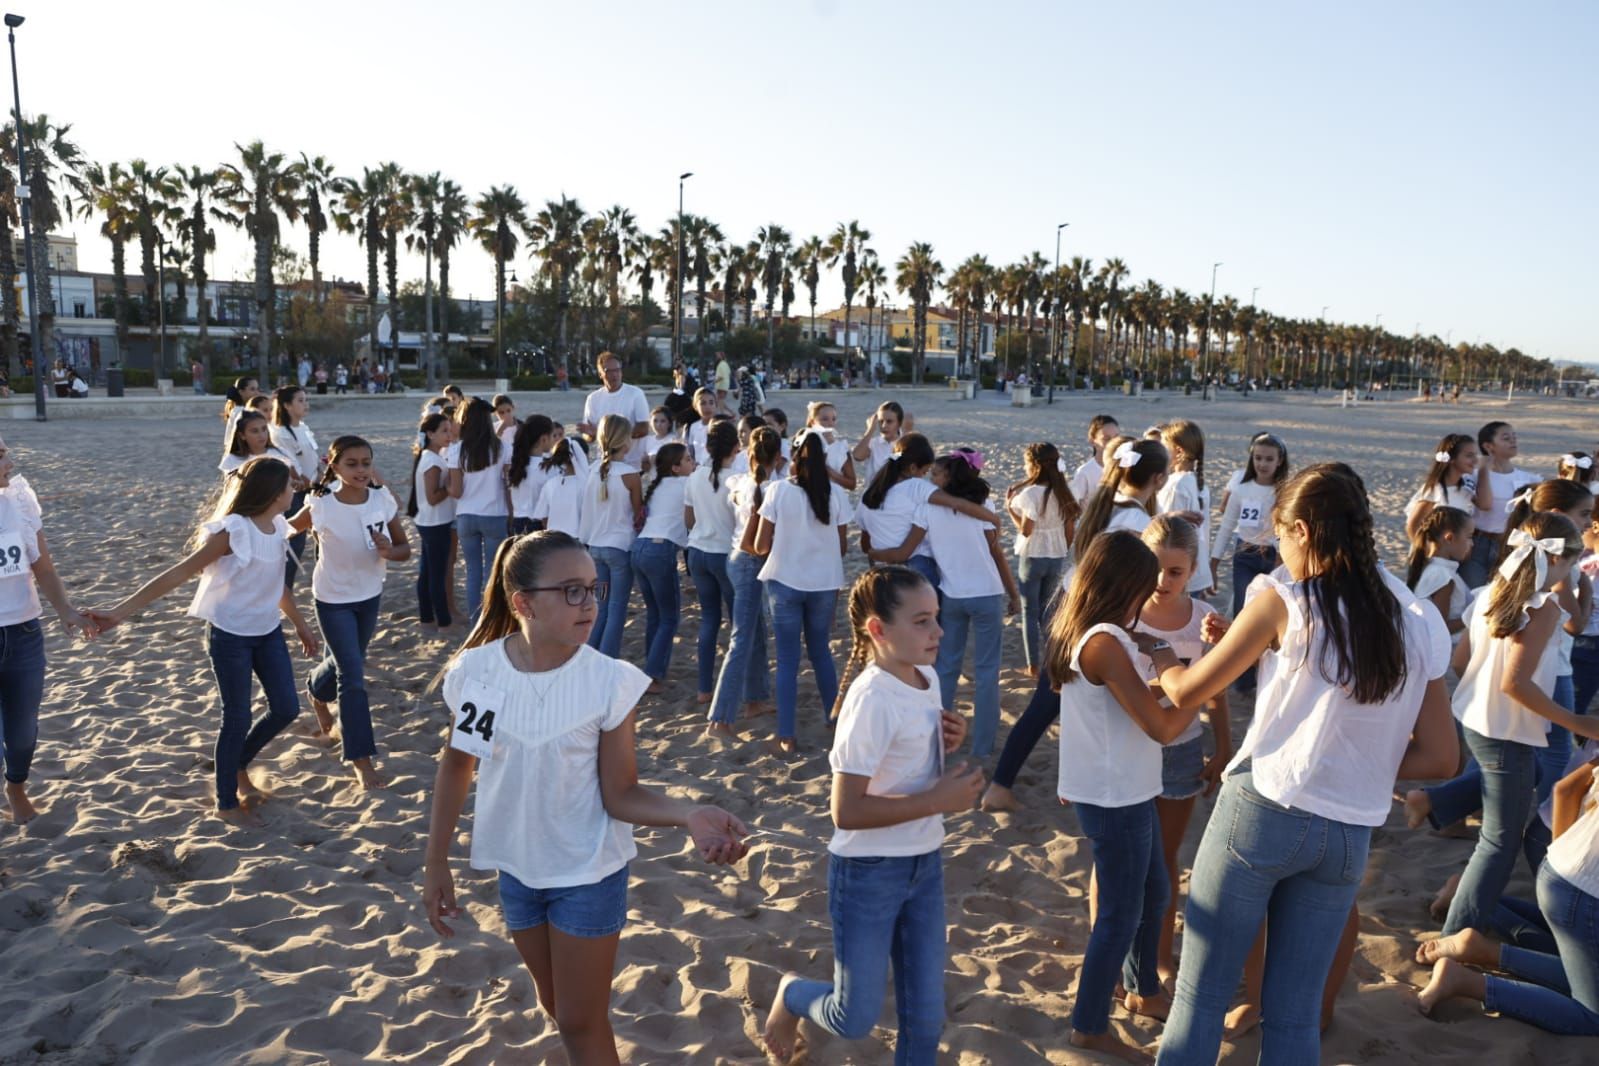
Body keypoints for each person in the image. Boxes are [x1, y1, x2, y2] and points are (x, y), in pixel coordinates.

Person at [1148, 464, 1457, 1066]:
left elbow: (1186, 693)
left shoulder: (1284, 601)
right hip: (1347, 835)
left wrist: (1162, 654)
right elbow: (1442, 759)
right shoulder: (1416, 621)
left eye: (1280, 532)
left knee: (1201, 996)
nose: (1277, 545)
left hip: (1264, 808)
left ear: (1305, 532)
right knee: (1293, 1017)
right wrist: (1351, 765)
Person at [422, 532, 749, 1065]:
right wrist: (437, 861)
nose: (590, 603)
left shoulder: (608, 682)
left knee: (579, 1019)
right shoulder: (478, 675)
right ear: (523, 602)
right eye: (571, 591)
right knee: (561, 1008)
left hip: (587, 873)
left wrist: (688, 814)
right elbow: (459, 765)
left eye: (594, 588)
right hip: (518, 873)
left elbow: (621, 793)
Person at [763, 566, 977, 1065]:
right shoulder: (871, 698)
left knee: (925, 1020)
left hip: (925, 864)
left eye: (937, 618)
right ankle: (793, 994)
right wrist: (938, 801)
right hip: (867, 875)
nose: (938, 632)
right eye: (922, 621)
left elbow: (909, 758)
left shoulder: (926, 676)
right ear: (877, 629)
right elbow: (846, 810)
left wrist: (950, 736)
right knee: (853, 1017)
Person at [93, 457, 318, 827]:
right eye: (289, 487)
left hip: (267, 631)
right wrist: (120, 611)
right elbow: (179, 573)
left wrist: (301, 625)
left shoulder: (278, 526)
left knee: (286, 708)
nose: (294, 491)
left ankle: (238, 764)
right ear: (274, 493)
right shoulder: (234, 531)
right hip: (230, 634)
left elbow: (278, 586)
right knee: (237, 717)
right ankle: (226, 801)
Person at [1048, 529, 1201, 1061]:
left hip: (1124, 785)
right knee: (1119, 911)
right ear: (1122, 585)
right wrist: (1196, 686)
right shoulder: (1106, 641)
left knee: (1155, 894)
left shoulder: (1099, 631)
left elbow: (1116, 702)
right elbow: (1161, 727)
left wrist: (1160, 664)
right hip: (1115, 795)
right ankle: (1088, 1024)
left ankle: (1143, 989)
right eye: (1145, 584)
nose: (1151, 593)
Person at [1415, 753, 1599, 1035]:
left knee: (1579, 963)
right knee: (1592, 1014)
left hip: (1562, 869)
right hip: (1580, 889)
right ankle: (1469, 982)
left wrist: (1562, 858)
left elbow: (1566, 789)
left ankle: (1480, 940)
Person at [1128, 516, 1232, 989]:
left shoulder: (1201, 619)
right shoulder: (1121, 612)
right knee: (1120, 858)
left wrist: (1224, 744)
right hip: (1126, 747)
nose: (1161, 581)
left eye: (1175, 572)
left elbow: (1215, 690)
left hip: (1182, 749)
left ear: (1193, 570)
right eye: (1154, 568)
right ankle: (1111, 949)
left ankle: (1158, 955)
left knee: (1165, 859)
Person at [868, 451, 1018, 758]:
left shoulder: (927, 509)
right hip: (987, 594)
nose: (931, 479)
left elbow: (905, 551)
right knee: (987, 672)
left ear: (949, 477)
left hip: (952, 596)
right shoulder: (983, 506)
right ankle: (982, 748)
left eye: (936, 474)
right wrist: (1013, 593)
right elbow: (997, 554)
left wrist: (874, 551)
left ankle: (937, 739)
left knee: (946, 668)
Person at [289, 436, 411, 789]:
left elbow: (404, 549)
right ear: (335, 467)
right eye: (352, 464)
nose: (361, 470)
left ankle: (315, 689)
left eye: (366, 463)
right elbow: (281, 530)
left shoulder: (381, 500)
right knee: (352, 676)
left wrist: (390, 552)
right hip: (331, 598)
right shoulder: (321, 505)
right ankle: (361, 760)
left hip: (369, 595)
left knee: (348, 661)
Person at [0, 442, 98, 824]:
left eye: (5, 452)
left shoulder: (19, 502)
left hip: (24, 632)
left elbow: (43, 568)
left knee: (23, 734)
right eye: (0, 456)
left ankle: (16, 787)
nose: (9, 462)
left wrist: (66, 612)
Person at [752, 428, 854, 756]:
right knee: (821, 653)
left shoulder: (779, 490)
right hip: (824, 583)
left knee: (786, 661)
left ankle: (786, 734)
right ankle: (833, 718)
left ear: (794, 459)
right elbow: (841, 547)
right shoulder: (836, 495)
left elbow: (760, 544)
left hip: (785, 580)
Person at [705, 426, 780, 737]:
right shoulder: (772, 488)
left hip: (735, 558)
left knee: (755, 632)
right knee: (741, 638)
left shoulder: (740, 482)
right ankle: (720, 718)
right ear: (777, 456)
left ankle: (755, 698)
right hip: (750, 561)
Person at [1210, 432, 1288, 693]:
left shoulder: (1283, 491)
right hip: (1244, 555)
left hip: (1273, 557)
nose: (1262, 464)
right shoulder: (1241, 489)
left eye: (1269, 459)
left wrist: (1280, 554)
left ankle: (1270, 672)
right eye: (1258, 458)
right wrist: (1214, 560)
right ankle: (1243, 677)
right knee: (1244, 613)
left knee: (1273, 614)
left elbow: (1284, 528)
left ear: (1279, 461)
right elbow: (1227, 526)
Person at [1006, 443, 1079, 676]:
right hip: (1055, 557)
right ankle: (1053, 658)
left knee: (1030, 611)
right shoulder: (1064, 491)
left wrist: (1010, 509)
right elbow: (1070, 531)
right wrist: (1062, 549)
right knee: (1049, 611)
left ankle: (1033, 665)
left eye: (1026, 463)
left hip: (1032, 556)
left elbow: (1026, 531)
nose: (1025, 468)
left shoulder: (1031, 494)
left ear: (1035, 466)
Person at [684, 420, 740, 707]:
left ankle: (704, 688)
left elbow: (688, 520)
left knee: (708, 619)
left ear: (706, 446)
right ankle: (734, 688)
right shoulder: (737, 478)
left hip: (698, 551)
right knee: (737, 624)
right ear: (736, 447)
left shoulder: (694, 476)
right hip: (724, 553)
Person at [631, 443, 696, 692]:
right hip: (660, 550)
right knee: (669, 617)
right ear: (676, 467)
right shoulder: (685, 484)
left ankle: (653, 668)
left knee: (655, 615)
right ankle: (653, 674)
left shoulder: (658, 485)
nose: (692, 463)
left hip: (640, 548)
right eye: (688, 460)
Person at [579, 415, 644, 660]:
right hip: (619, 549)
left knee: (601, 605)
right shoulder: (630, 474)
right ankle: (606, 659)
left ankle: (590, 654)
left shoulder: (592, 469)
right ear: (625, 441)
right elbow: (638, 514)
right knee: (617, 608)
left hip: (595, 548)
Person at [447, 398, 512, 621]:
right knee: (493, 573)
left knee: (473, 571)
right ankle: (490, 619)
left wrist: (444, 485)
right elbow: (508, 483)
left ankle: (476, 622)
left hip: (466, 515)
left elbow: (455, 492)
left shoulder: (457, 450)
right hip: (495, 514)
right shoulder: (502, 447)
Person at [1464, 421, 1540, 588]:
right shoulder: (1472, 476)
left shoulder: (1530, 479)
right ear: (1489, 446)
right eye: (1506, 438)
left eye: (1514, 437)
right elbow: (1483, 505)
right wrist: (1484, 469)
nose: (1513, 441)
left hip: (1511, 546)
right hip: (1477, 543)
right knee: (1472, 595)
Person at [410, 412, 458, 635]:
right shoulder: (432, 460)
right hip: (435, 523)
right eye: (444, 431)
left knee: (428, 572)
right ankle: (443, 622)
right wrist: (450, 487)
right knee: (435, 574)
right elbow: (432, 497)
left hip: (431, 521)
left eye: (450, 430)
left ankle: (427, 619)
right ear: (430, 434)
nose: (449, 435)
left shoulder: (431, 456)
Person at [1156, 421, 1215, 597]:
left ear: (1179, 451)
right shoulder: (1198, 483)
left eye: (1164, 446)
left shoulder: (1177, 485)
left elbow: (1167, 531)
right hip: (1194, 569)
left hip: (1179, 575)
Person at [269, 386, 320, 588]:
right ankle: (284, 588)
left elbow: (313, 457)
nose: (305, 404)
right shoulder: (280, 433)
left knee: (321, 534)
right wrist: (310, 482)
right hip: (297, 492)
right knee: (294, 541)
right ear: (287, 405)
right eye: (300, 400)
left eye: (306, 399)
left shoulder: (304, 428)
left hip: (315, 487)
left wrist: (322, 476)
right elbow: (291, 464)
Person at [1405, 505, 1475, 637]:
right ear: (1449, 538)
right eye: (1469, 536)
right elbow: (1441, 628)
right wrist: (1474, 613)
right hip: (1449, 651)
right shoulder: (1443, 576)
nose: (1472, 543)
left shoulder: (1432, 567)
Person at [576, 351, 651, 465]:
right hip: (604, 462)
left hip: (632, 463)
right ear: (600, 374)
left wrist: (612, 436)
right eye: (608, 371)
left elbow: (643, 428)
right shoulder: (593, 399)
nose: (614, 375)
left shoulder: (635, 394)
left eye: (617, 370)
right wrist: (589, 434)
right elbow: (589, 436)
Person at [1405, 433, 1479, 541]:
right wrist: (1424, 551)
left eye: (1475, 455)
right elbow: (1412, 526)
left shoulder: (1466, 488)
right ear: (1452, 459)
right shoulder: (1436, 489)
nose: (1475, 460)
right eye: (1469, 456)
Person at [507, 415, 558, 536]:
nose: (553, 441)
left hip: (517, 522)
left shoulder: (516, 464)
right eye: (552, 436)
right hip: (538, 524)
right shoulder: (549, 468)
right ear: (544, 439)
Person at [530, 435, 584, 539]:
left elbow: (543, 516)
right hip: (576, 541)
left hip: (554, 539)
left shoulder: (550, 484)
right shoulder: (584, 484)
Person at [850, 401, 912, 490]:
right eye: (881, 421)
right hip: (873, 497)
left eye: (889, 421)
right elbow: (857, 456)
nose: (884, 426)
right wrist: (870, 429)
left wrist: (907, 434)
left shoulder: (905, 443)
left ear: (899, 423)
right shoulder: (873, 443)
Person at [218, 410, 293, 478]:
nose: (261, 435)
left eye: (264, 429)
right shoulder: (232, 460)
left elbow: (293, 479)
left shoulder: (281, 453)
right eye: (255, 431)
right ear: (242, 435)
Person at [804, 401, 857, 491]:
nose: (830, 423)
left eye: (833, 419)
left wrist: (828, 471)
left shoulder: (841, 448)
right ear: (813, 422)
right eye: (825, 419)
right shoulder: (804, 443)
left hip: (833, 496)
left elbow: (852, 484)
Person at [1070, 414, 1121, 505]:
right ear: (1092, 440)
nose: (1114, 443)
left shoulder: (1126, 467)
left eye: (1116, 437)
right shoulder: (1085, 472)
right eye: (1106, 439)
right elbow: (1074, 505)